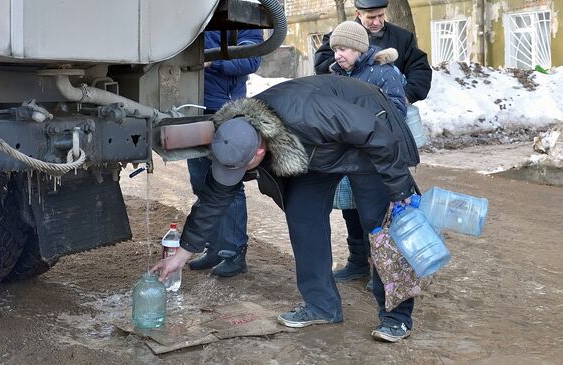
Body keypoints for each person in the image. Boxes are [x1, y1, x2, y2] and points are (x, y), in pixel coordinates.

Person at [152, 75, 421, 342]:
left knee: (380, 225)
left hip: (371, 138)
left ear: (259, 152)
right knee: (302, 214)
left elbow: (373, 130)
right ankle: (321, 306)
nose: (235, 174)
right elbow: (213, 199)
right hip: (318, 149)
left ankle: (396, 317)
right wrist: (182, 254)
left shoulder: (307, 115)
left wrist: (399, 189)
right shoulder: (235, 135)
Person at [315, 0, 431, 285]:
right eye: (371, 17)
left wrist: (405, 96)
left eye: (380, 16)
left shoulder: (400, 39)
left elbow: (418, 71)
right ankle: (358, 261)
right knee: (351, 207)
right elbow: (323, 66)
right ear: (359, 16)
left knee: (381, 211)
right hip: (352, 149)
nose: (377, 21)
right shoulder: (341, 41)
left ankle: (383, 270)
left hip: (383, 145)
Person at [186, 29, 263, 277]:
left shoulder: (242, 15)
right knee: (200, 181)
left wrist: (213, 60)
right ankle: (215, 247)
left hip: (226, 109)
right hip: (193, 106)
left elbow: (251, 58)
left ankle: (234, 253)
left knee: (228, 182)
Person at [328, 20, 406, 116]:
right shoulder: (336, 76)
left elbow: (397, 114)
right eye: (335, 50)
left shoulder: (385, 74)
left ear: (358, 48)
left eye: (342, 49)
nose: (336, 56)